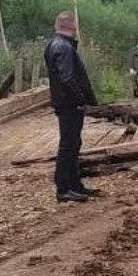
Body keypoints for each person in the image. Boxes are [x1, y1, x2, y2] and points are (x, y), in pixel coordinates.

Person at [44, 11, 99, 203]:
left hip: (65, 101)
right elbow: (67, 77)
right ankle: (63, 188)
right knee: (68, 145)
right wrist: (80, 99)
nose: (77, 28)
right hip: (69, 103)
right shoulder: (63, 47)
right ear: (70, 26)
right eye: (75, 25)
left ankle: (75, 185)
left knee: (74, 143)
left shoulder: (57, 45)